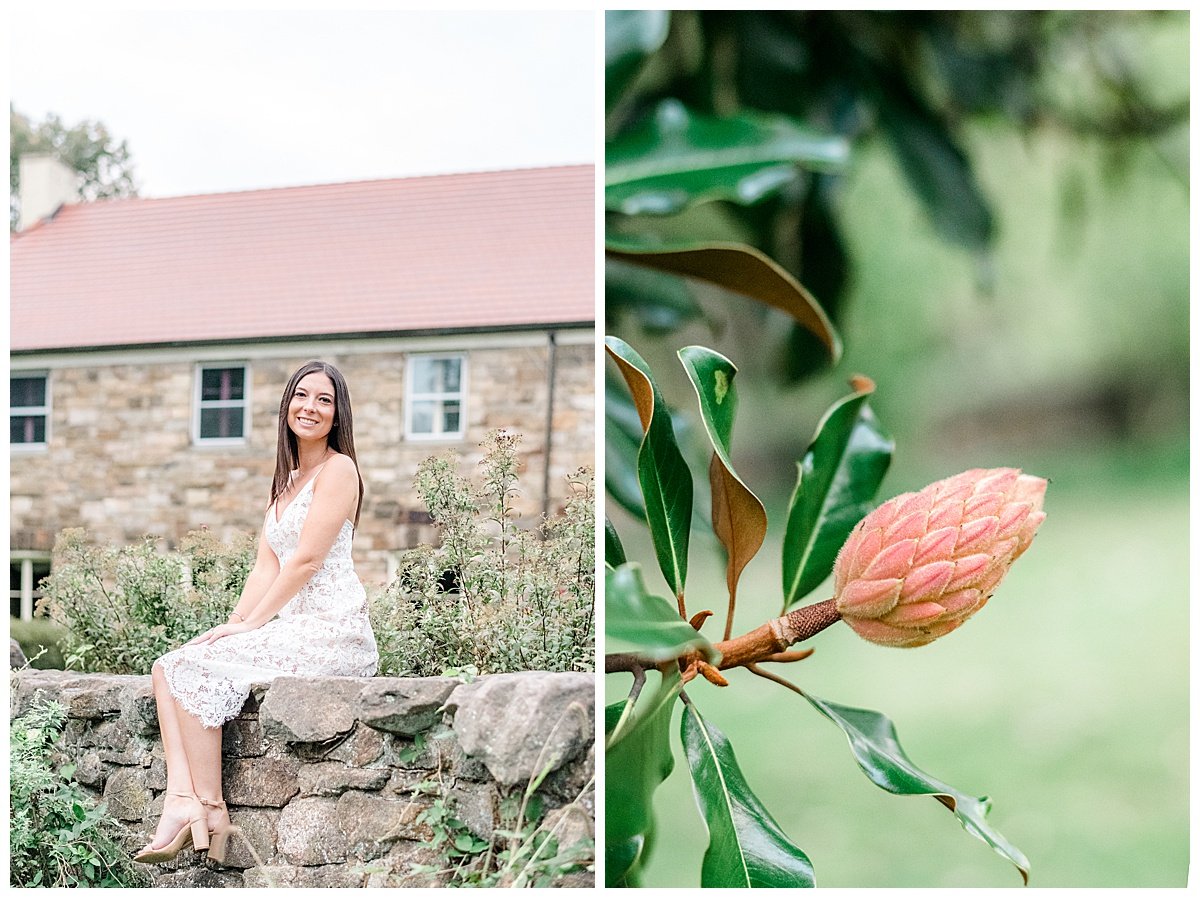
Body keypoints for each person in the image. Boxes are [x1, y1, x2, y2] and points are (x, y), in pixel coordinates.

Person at [134, 360, 379, 864]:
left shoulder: (339, 470)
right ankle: (184, 800)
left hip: (332, 631)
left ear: (338, 415)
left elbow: (306, 562)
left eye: (324, 400)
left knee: (192, 668)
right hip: (292, 625)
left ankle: (211, 809)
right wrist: (231, 624)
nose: (310, 407)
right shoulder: (287, 484)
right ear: (287, 403)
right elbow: (265, 569)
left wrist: (251, 625)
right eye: (302, 396)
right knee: (169, 665)